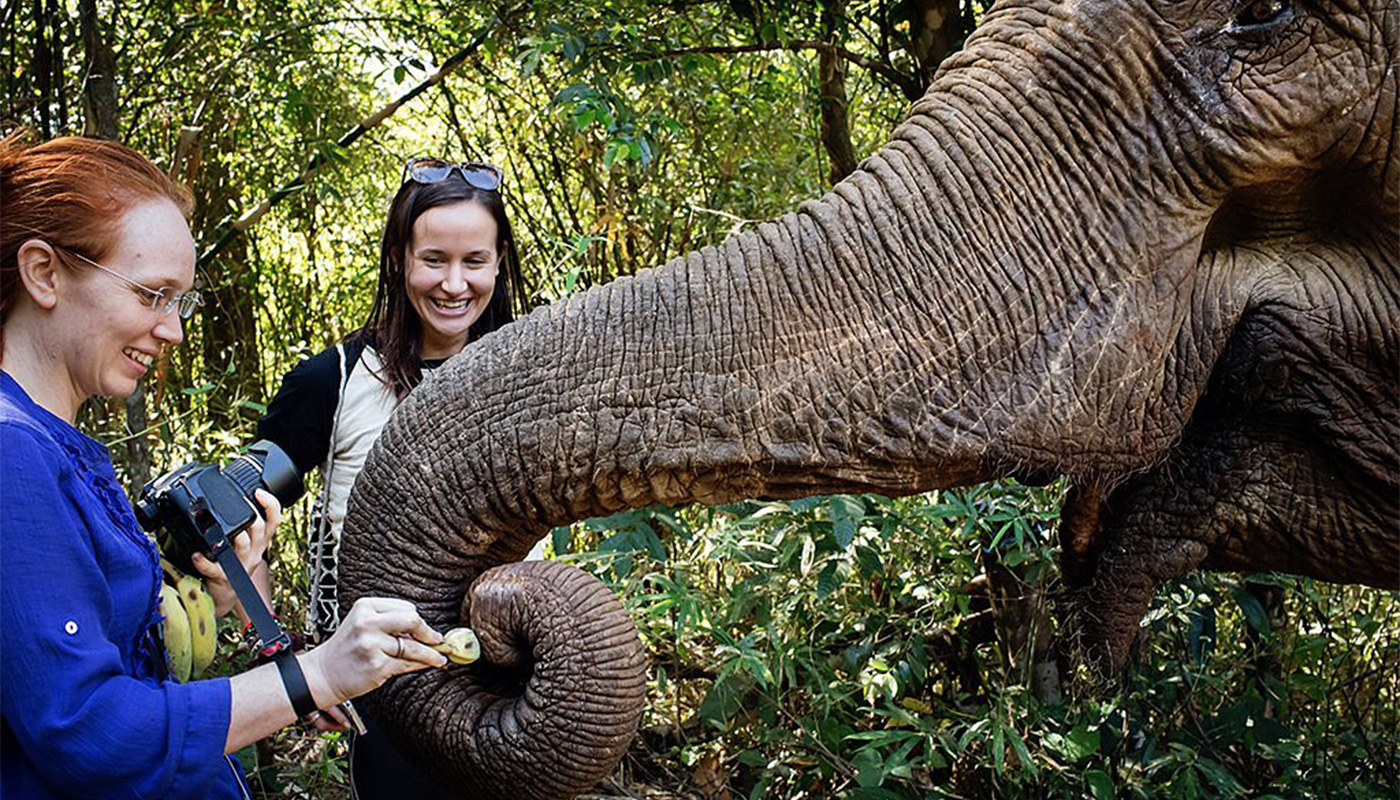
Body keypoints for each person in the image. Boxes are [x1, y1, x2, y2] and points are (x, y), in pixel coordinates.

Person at [0, 132, 449, 800]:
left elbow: (109, 662)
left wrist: (215, 595)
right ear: (43, 273)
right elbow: (86, 729)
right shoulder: (13, 457)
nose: (174, 330)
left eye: (181, 301)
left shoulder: (56, 442)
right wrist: (316, 676)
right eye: (153, 295)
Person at [255, 155, 529, 797]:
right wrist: (285, 662)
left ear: (498, 263)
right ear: (400, 259)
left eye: (475, 261)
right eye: (433, 259)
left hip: (515, 677)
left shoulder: (529, 369)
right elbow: (238, 516)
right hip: (389, 690)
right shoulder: (339, 379)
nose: (454, 283)